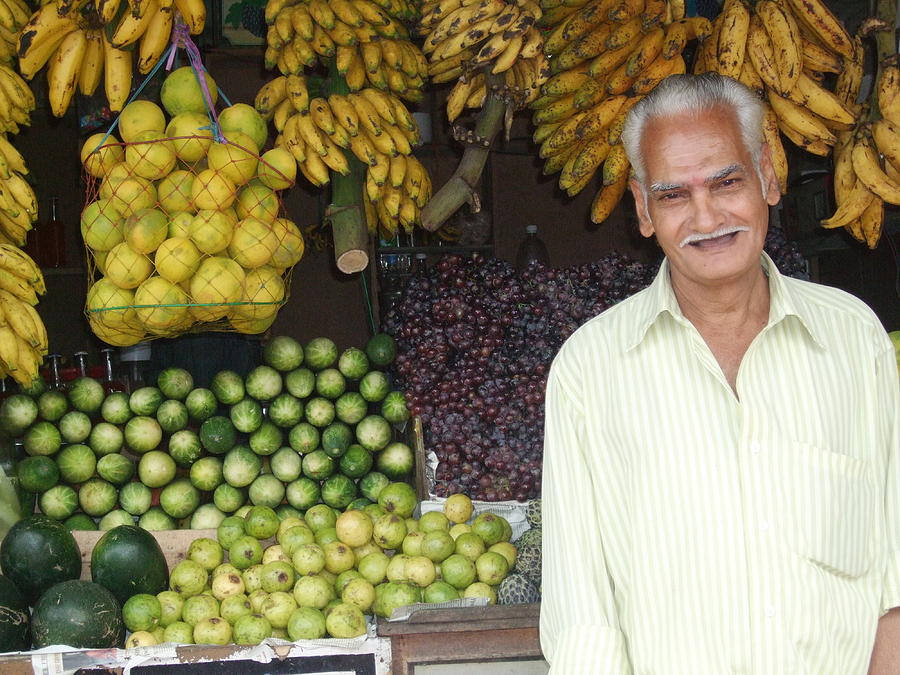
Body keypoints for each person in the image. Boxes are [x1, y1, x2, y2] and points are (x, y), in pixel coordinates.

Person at [539, 72, 900, 674]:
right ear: (642, 209)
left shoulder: (853, 338)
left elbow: (894, 565)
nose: (706, 216)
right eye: (673, 195)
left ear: (768, 176)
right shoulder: (590, 368)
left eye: (727, 181)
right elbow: (583, 613)